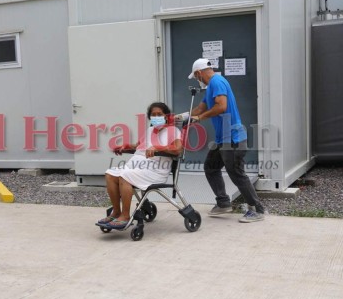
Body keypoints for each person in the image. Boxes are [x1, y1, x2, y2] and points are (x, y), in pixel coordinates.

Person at [181, 58, 265, 223]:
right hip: (223, 139)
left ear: (198, 73)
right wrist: (182, 117)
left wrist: (199, 118)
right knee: (211, 168)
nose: (198, 80)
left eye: (197, 77)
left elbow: (221, 106)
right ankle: (223, 203)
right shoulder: (213, 86)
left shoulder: (216, 82)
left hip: (233, 138)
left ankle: (256, 209)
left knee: (237, 174)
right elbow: (200, 108)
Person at [97, 102, 183, 229]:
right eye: (153, 115)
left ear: (166, 116)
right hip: (136, 167)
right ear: (150, 118)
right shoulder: (149, 131)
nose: (156, 117)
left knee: (125, 175)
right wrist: (126, 146)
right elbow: (139, 146)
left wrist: (158, 147)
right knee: (110, 174)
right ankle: (116, 212)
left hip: (155, 170)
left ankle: (125, 216)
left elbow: (178, 149)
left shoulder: (173, 131)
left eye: (159, 114)